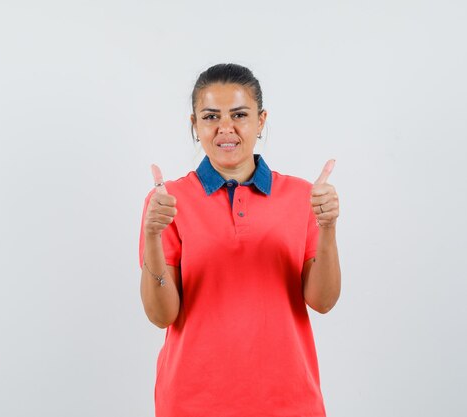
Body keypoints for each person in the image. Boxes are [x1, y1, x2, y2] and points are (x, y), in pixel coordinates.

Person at [138, 63, 341, 417]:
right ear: (194, 125)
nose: (225, 128)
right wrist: (153, 235)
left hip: (289, 401)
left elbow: (322, 302)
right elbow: (161, 315)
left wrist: (327, 228)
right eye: (211, 116)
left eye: (239, 114)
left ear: (261, 121)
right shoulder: (166, 201)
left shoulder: (302, 197)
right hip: (193, 402)